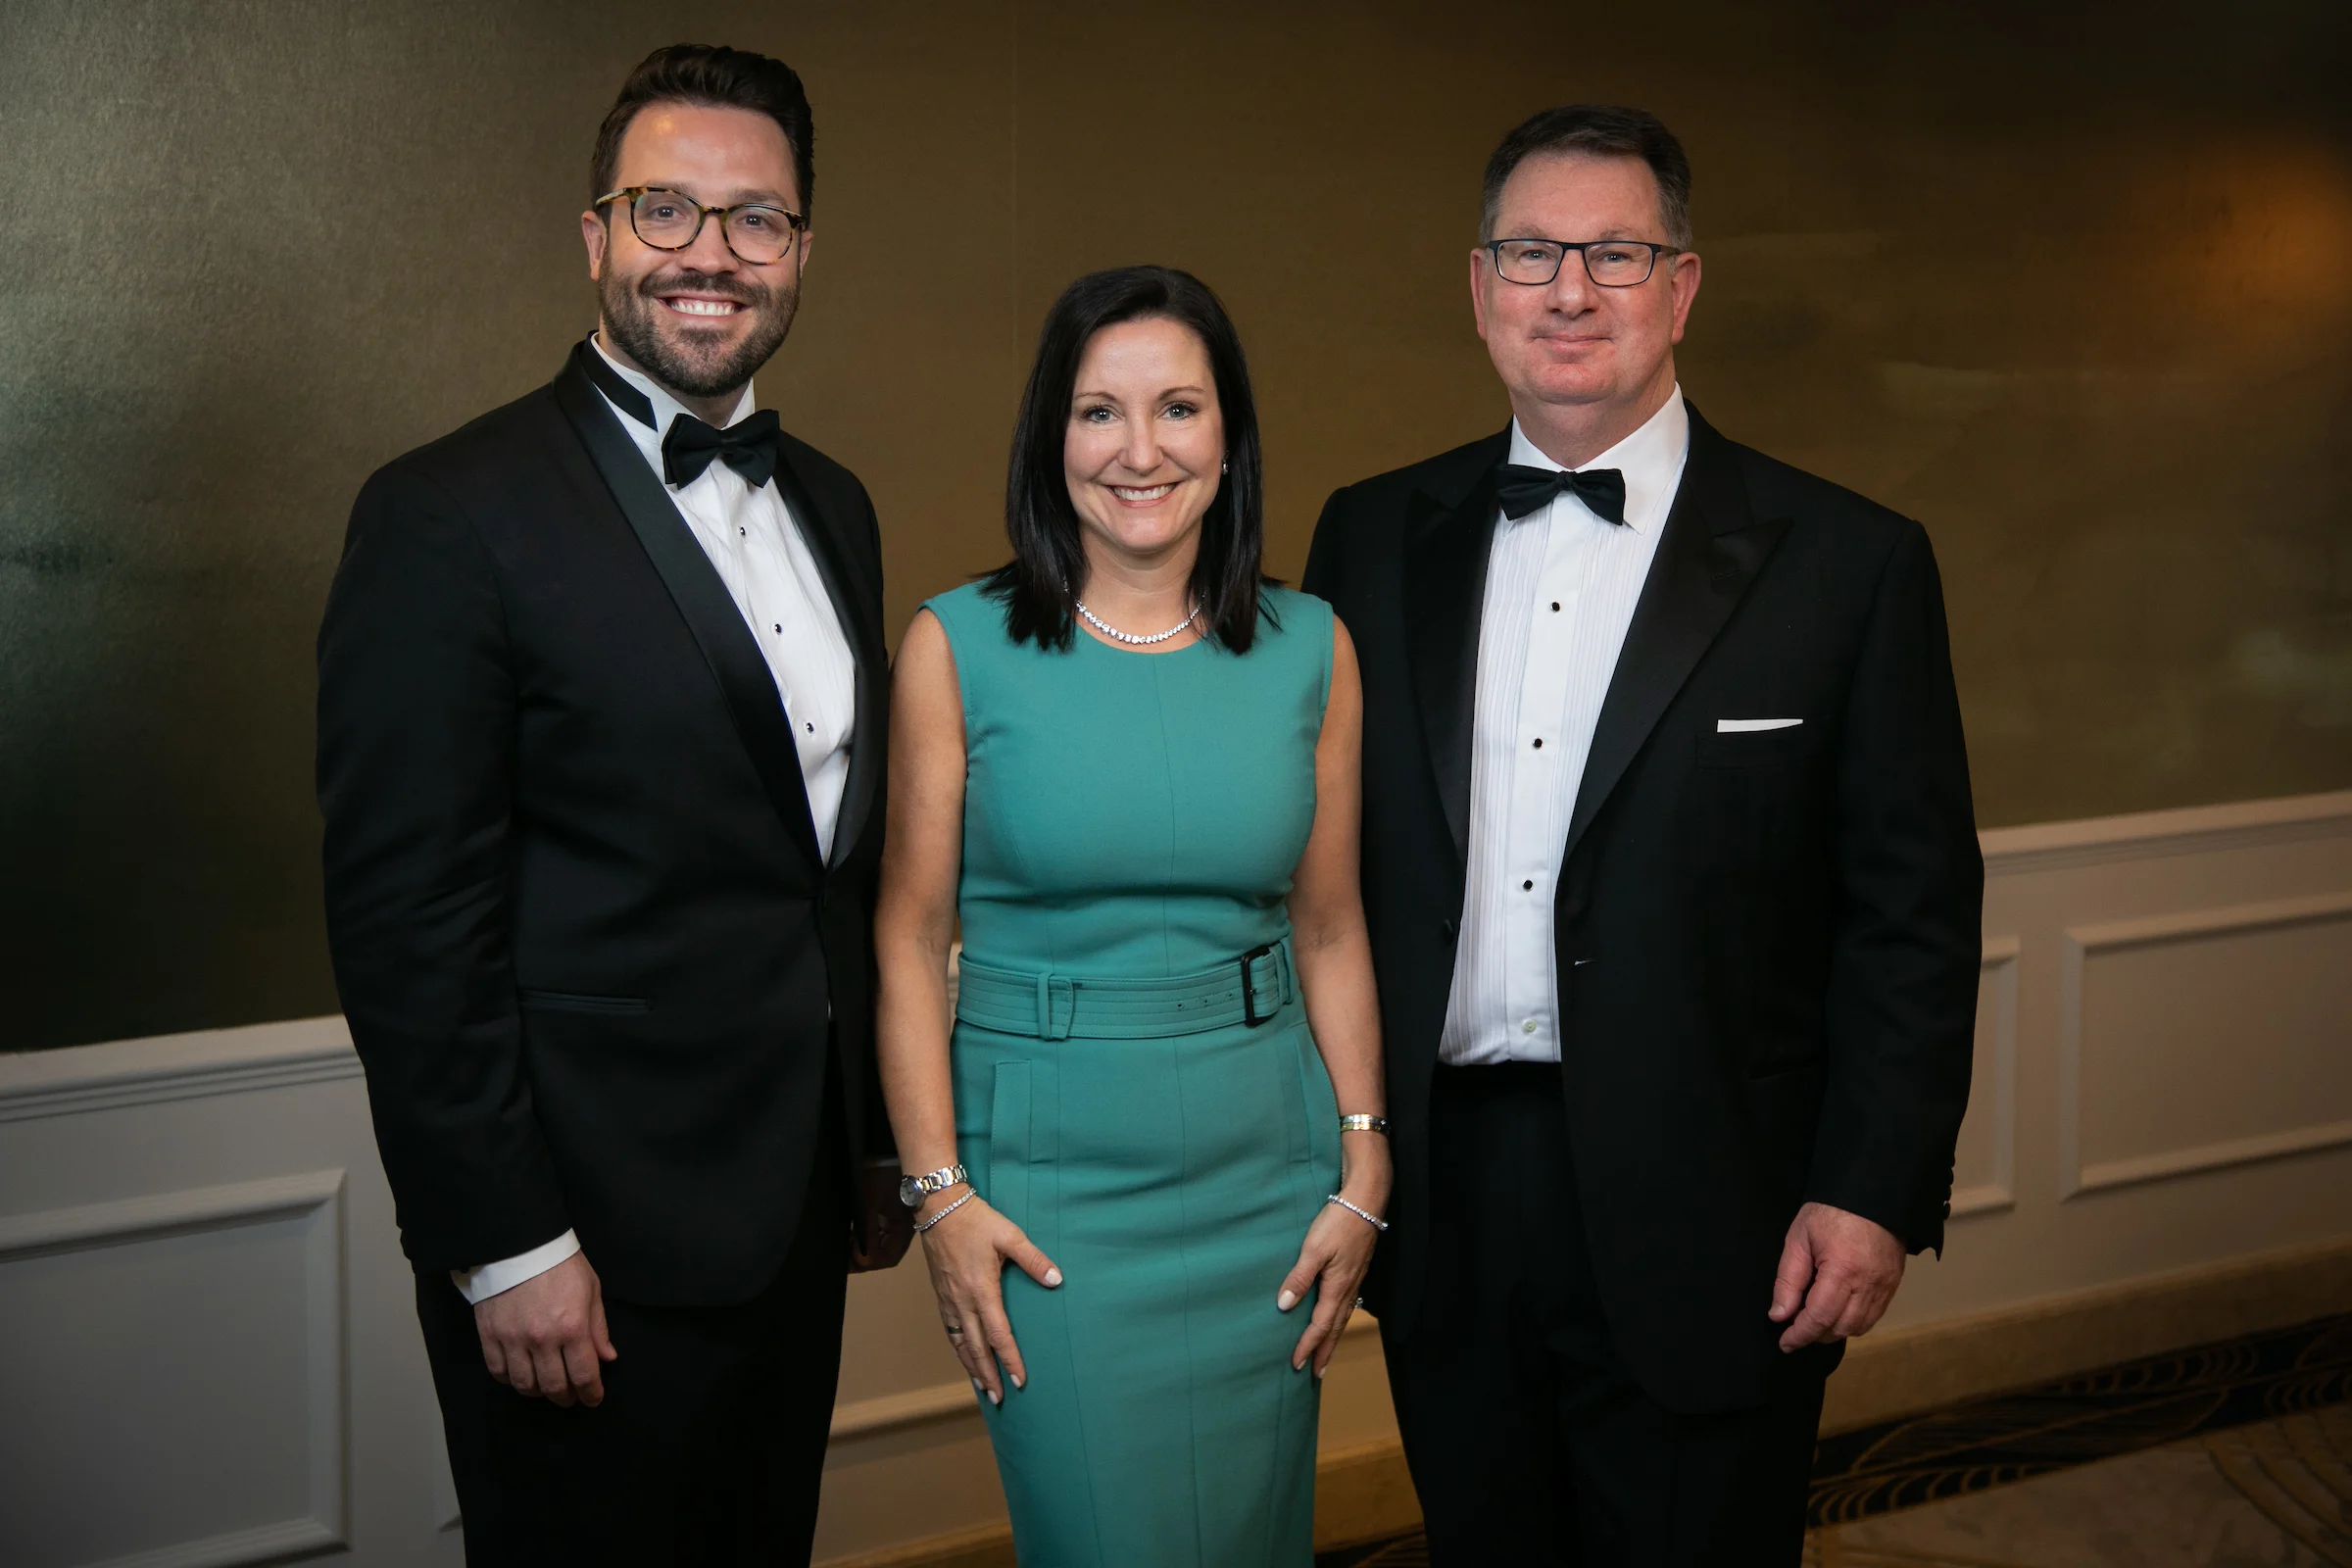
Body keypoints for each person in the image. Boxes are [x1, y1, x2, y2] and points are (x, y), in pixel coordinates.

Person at [1301, 106, 1983, 1564]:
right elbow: (1322, 876)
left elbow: (1911, 916)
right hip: (1444, 1198)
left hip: (1722, 1205)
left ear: (1681, 288)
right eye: (1531, 253)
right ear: (1479, 286)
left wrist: (1870, 1189)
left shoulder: (1849, 564)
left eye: (1615, 254)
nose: (1569, 290)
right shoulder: (1366, 539)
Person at [317, 43, 904, 1564]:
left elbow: (823, 874)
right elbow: (406, 923)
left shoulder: (836, 504)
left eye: (755, 218)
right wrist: (505, 1243)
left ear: (800, 251)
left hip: (790, 1220)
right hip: (577, 1244)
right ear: (596, 237)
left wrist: (866, 1148)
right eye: (665, 209)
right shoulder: (445, 513)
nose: (711, 252)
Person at [873, 265, 1392, 1566]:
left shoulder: (1314, 647)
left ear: (1230, 435)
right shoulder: (955, 646)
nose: (1141, 450)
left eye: (1180, 408)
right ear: (1050, 438)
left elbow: (1330, 927)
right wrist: (937, 1194)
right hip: (1049, 1196)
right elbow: (908, 938)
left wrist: (1366, 1157)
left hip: (1266, 1177)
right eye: (1100, 411)